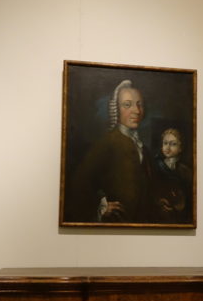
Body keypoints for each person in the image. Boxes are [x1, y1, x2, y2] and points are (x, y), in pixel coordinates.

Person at [66, 79, 153, 223]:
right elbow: (79, 183)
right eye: (127, 105)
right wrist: (101, 206)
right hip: (115, 224)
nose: (137, 111)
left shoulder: (144, 148)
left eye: (140, 104)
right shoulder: (106, 143)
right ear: (116, 109)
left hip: (142, 226)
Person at [152, 128, 192, 223]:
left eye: (173, 144)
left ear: (180, 148)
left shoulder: (185, 171)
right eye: (165, 143)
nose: (167, 147)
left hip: (179, 213)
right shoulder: (155, 166)